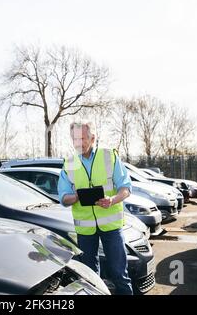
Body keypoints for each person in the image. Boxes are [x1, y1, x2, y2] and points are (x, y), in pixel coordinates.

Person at [58, 120, 133, 295]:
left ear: (92, 138)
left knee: (119, 274)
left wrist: (112, 200)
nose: (79, 143)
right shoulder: (69, 163)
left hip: (112, 228)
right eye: (75, 139)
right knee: (89, 277)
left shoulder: (109, 156)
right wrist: (76, 197)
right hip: (85, 231)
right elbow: (63, 197)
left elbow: (126, 188)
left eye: (83, 138)